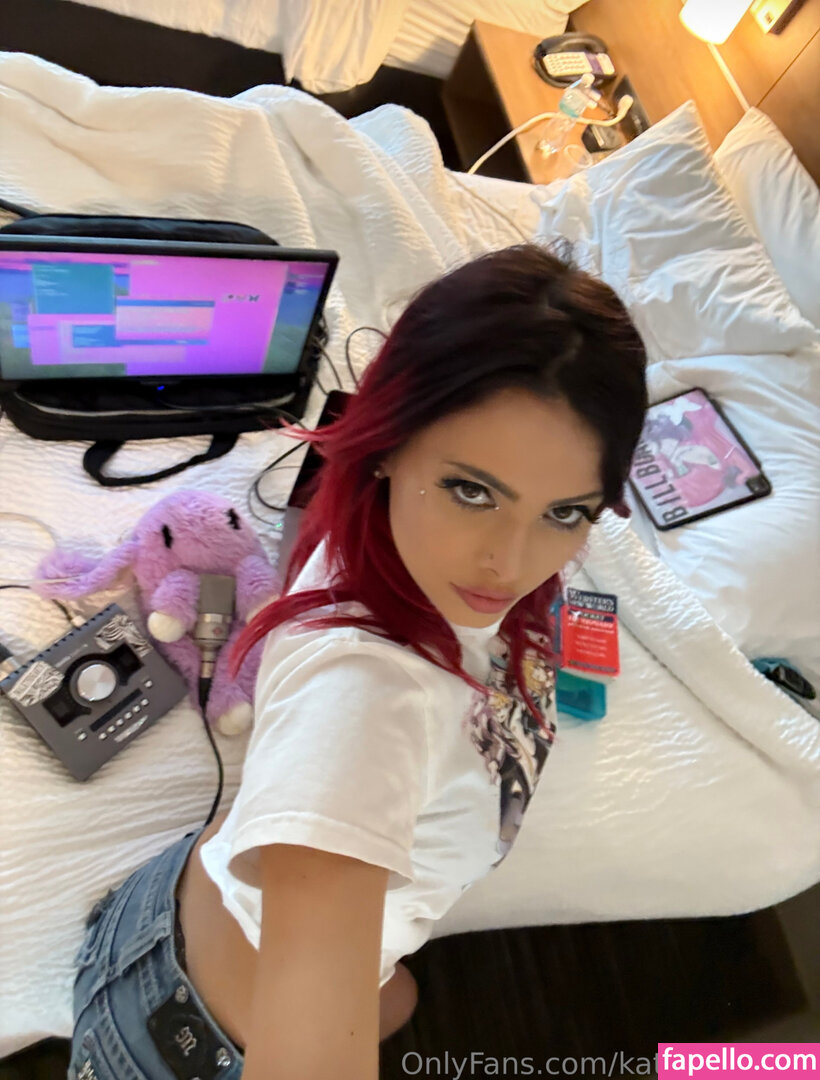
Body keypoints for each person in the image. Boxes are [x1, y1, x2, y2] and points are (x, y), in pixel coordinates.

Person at [68, 244, 647, 1080]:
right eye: (472, 491)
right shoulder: (363, 699)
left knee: (397, 999)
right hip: (179, 1048)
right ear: (386, 444)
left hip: (170, 914)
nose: (510, 562)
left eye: (565, 512)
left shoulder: (381, 530)